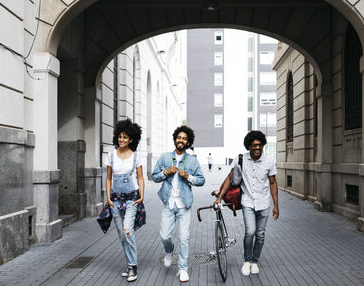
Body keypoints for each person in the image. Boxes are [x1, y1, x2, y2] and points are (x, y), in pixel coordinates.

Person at [214, 130, 279, 276]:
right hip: (248, 202)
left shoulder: (269, 161)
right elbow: (230, 178)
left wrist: (276, 205)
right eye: (254, 145)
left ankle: (255, 261)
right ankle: (247, 261)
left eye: (260, 145)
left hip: (264, 203)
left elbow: (273, 183)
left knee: (260, 234)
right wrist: (220, 197)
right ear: (248, 146)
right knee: (250, 232)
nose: (257, 148)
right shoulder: (240, 159)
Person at [152, 126, 205, 282]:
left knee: (184, 238)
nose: (181, 140)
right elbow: (154, 177)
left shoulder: (193, 161)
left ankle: (183, 269)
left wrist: (188, 176)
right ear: (175, 139)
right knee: (164, 236)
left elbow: (201, 180)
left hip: (184, 205)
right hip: (168, 204)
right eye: (179, 137)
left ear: (187, 142)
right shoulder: (164, 158)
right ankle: (169, 252)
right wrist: (165, 172)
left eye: (184, 138)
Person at [106, 119, 145, 282]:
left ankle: (133, 266)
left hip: (131, 198)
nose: (122, 139)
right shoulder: (111, 155)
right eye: (120, 137)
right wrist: (108, 197)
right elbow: (108, 178)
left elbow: (141, 178)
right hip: (115, 199)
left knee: (128, 230)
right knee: (122, 234)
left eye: (125, 137)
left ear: (131, 139)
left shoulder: (136, 156)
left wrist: (141, 196)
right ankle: (129, 264)